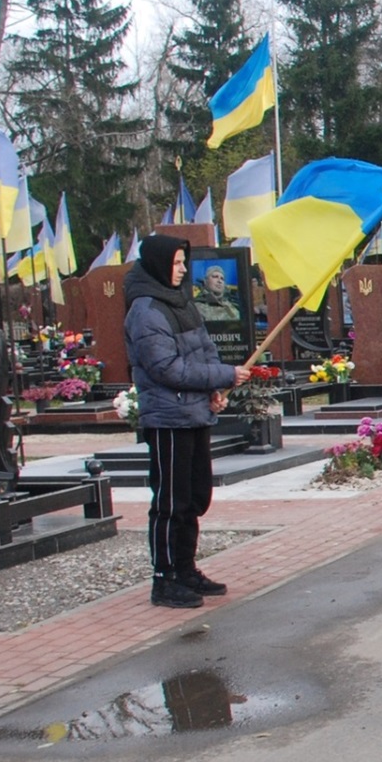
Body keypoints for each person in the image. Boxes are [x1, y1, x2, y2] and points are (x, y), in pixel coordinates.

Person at [124, 235, 251, 609]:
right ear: (160, 265)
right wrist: (222, 375)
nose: (183, 270)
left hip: (193, 413)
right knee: (170, 500)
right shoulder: (146, 310)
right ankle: (164, 577)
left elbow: (204, 349)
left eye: (184, 263)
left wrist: (216, 385)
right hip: (168, 417)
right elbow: (165, 367)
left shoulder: (181, 302)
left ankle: (186, 567)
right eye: (178, 264)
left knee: (195, 495)